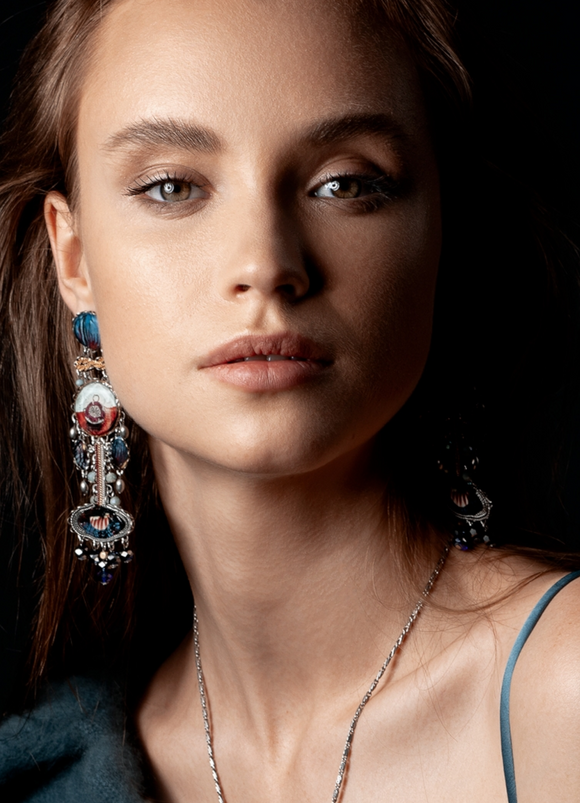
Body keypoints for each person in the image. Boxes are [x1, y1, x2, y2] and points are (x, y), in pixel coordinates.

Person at [0, 0, 579, 800]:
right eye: (172, 186)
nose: (266, 263)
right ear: (75, 258)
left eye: (345, 183)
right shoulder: (52, 768)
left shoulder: (561, 693)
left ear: (446, 227)